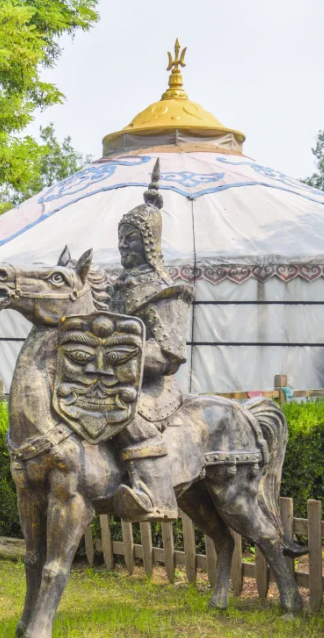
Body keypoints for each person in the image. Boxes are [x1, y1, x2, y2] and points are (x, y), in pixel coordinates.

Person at [111, 159, 193, 522]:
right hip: (112, 374)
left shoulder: (164, 290)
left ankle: (155, 495)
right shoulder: (117, 288)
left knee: (122, 412)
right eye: (121, 240)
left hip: (154, 385)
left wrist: (126, 356)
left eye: (130, 240)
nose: (123, 247)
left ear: (148, 242)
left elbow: (170, 353)